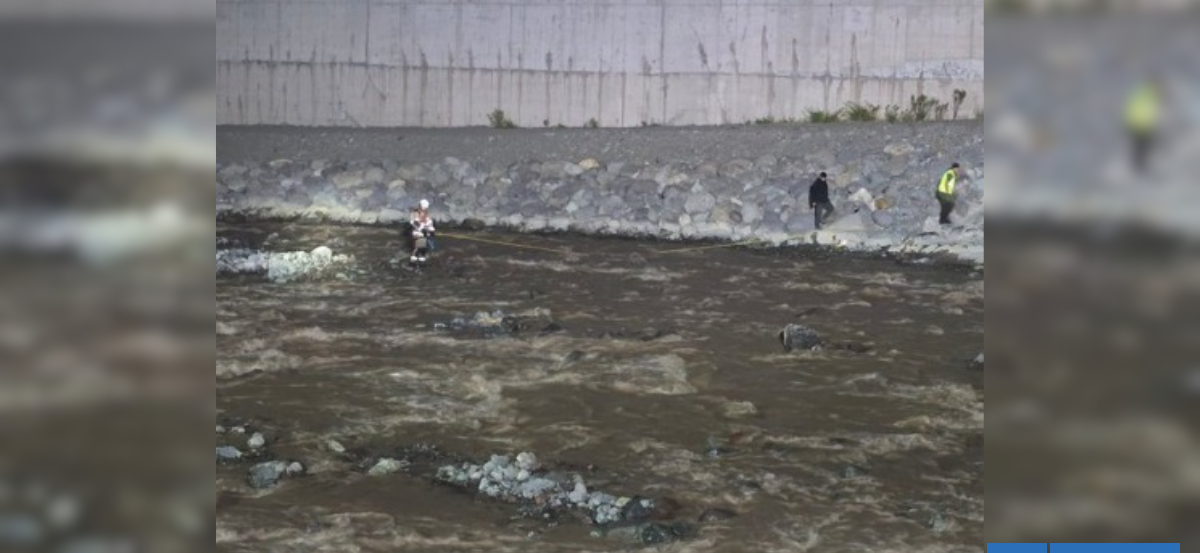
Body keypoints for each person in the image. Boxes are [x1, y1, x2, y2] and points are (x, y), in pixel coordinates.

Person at [1125, 77, 1161, 174]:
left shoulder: (1143, 92)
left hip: (1140, 123)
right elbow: (1147, 109)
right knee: (1142, 146)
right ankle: (1139, 166)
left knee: (1141, 146)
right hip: (1141, 123)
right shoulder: (1148, 94)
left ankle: (1139, 165)